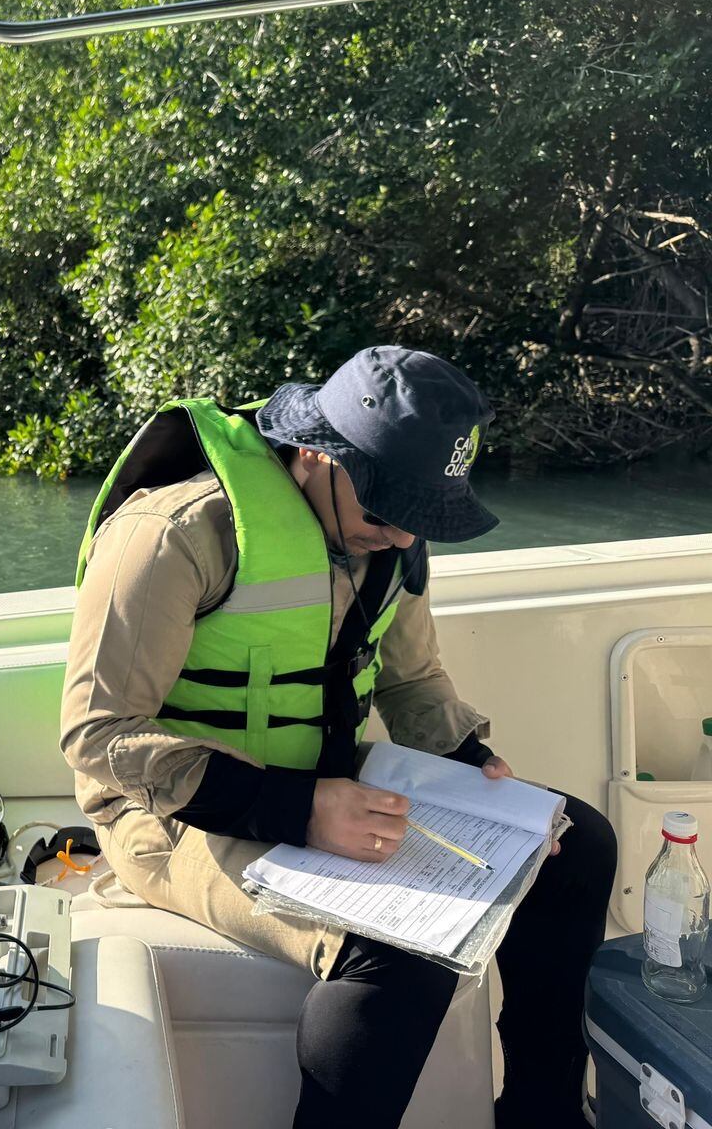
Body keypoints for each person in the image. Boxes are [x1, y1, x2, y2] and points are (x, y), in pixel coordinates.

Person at [61, 346, 616, 1129]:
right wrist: (297, 810)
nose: (398, 538)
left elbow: (413, 683)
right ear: (320, 453)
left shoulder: (395, 534)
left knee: (574, 844)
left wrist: (480, 770)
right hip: (175, 814)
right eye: (384, 514)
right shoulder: (175, 531)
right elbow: (99, 737)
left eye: (418, 520)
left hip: (330, 783)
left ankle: (543, 1114)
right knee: (401, 943)